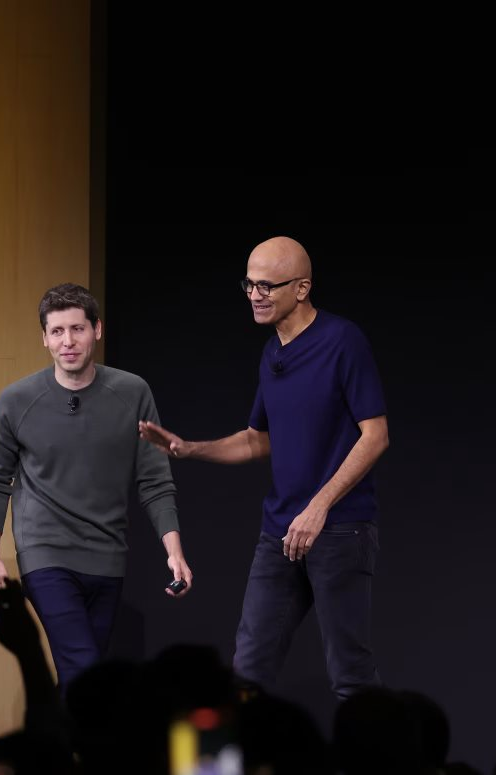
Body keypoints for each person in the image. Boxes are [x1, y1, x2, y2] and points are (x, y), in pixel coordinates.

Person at [139, 236, 389, 700]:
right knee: (248, 670)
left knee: (350, 675)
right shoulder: (272, 352)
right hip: (279, 532)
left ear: (302, 288)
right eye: (249, 284)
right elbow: (258, 440)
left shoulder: (342, 341)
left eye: (267, 286)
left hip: (340, 529)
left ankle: (376, 750)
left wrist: (318, 507)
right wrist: (189, 449)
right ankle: (244, 749)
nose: (254, 295)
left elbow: (375, 435)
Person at [0, 283, 193, 694]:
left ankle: (61, 735)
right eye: (57, 331)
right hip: (45, 553)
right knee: (83, 670)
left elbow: (154, 479)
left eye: (77, 329)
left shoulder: (132, 392)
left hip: (107, 556)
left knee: (85, 681)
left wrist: (174, 551)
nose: (68, 341)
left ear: (97, 330)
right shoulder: (16, 400)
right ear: (44, 338)